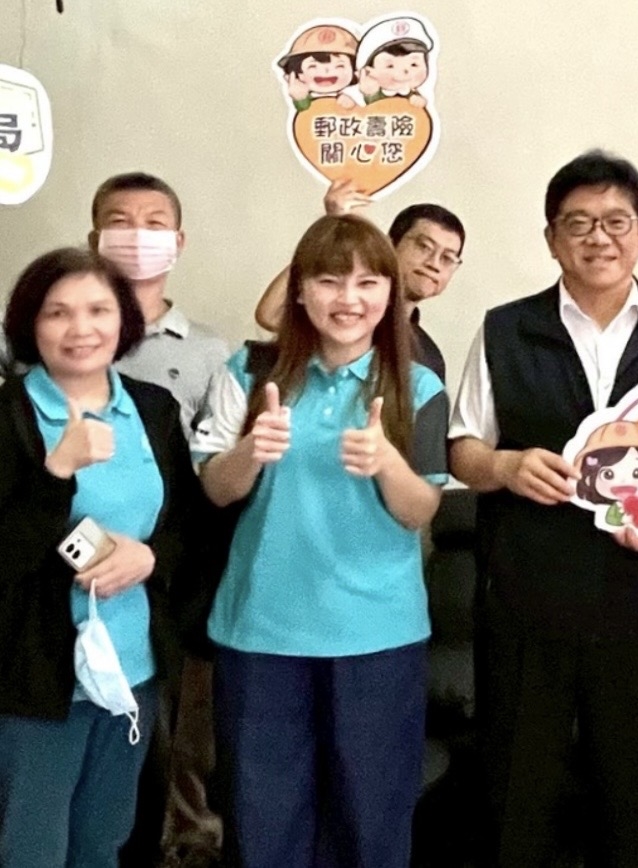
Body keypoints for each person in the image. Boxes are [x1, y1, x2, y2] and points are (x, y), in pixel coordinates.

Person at [448, 149, 638, 868]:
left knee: (631, 787)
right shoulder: (507, 329)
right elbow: (463, 448)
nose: (598, 238)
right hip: (527, 600)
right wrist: (504, 466)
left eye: (615, 222)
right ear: (552, 239)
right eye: (578, 223)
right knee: (519, 788)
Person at [191, 213, 448, 868]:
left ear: (390, 292)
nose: (348, 299)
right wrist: (251, 451)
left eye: (367, 282)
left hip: (378, 636)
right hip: (261, 632)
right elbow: (216, 489)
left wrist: (386, 463)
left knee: (370, 821)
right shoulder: (249, 371)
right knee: (261, 820)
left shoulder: (418, 385)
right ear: (299, 291)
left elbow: (420, 509)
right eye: (329, 281)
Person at [0, 247, 199, 868]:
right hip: (34, 679)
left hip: (132, 671)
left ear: (124, 320)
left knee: (104, 841)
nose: (80, 329)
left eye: (97, 310)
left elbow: (188, 525)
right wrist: (56, 469)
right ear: (30, 325)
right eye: (57, 312)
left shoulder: (152, 408)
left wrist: (149, 557)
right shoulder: (8, 416)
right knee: (31, 849)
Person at [83, 172, 230, 868]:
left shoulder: (208, 352)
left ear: (178, 240)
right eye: (119, 221)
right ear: (93, 239)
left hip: (169, 577)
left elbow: (209, 481)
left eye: (152, 223)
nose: (135, 236)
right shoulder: (50, 333)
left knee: (162, 746)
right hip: (64, 579)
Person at [254, 179, 464, 382]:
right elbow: (270, 315)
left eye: (447, 258)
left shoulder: (428, 357)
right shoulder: (349, 314)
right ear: (389, 244)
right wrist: (334, 226)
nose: (434, 264)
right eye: (424, 247)